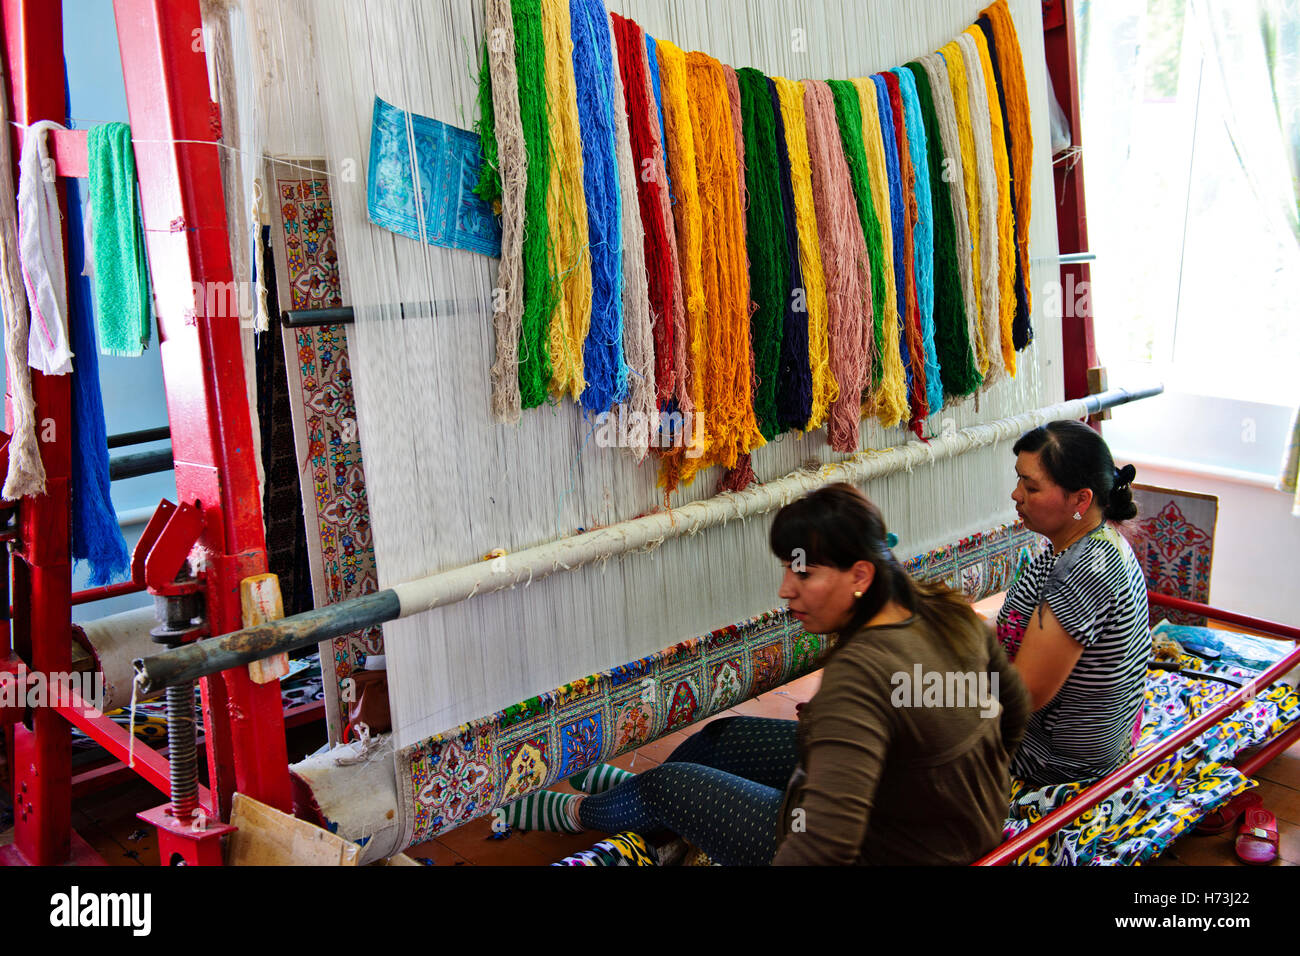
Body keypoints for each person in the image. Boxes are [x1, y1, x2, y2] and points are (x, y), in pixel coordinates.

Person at [498, 483, 1030, 865]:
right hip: (962, 826)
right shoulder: (944, 609)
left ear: (860, 575)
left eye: (804, 572)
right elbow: (1014, 711)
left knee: (668, 784)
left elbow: (823, 840)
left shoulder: (862, 673)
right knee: (720, 739)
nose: (785, 589)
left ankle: (580, 812)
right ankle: (633, 802)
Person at [997, 420, 1149, 785]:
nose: (1016, 495)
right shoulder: (1098, 540)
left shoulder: (1081, 574)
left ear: (1081, 499)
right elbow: (1020, 624)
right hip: (1099, 742)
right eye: (1019, 479)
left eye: (1031, 487)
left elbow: (1025, 695)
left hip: (1055, 763)